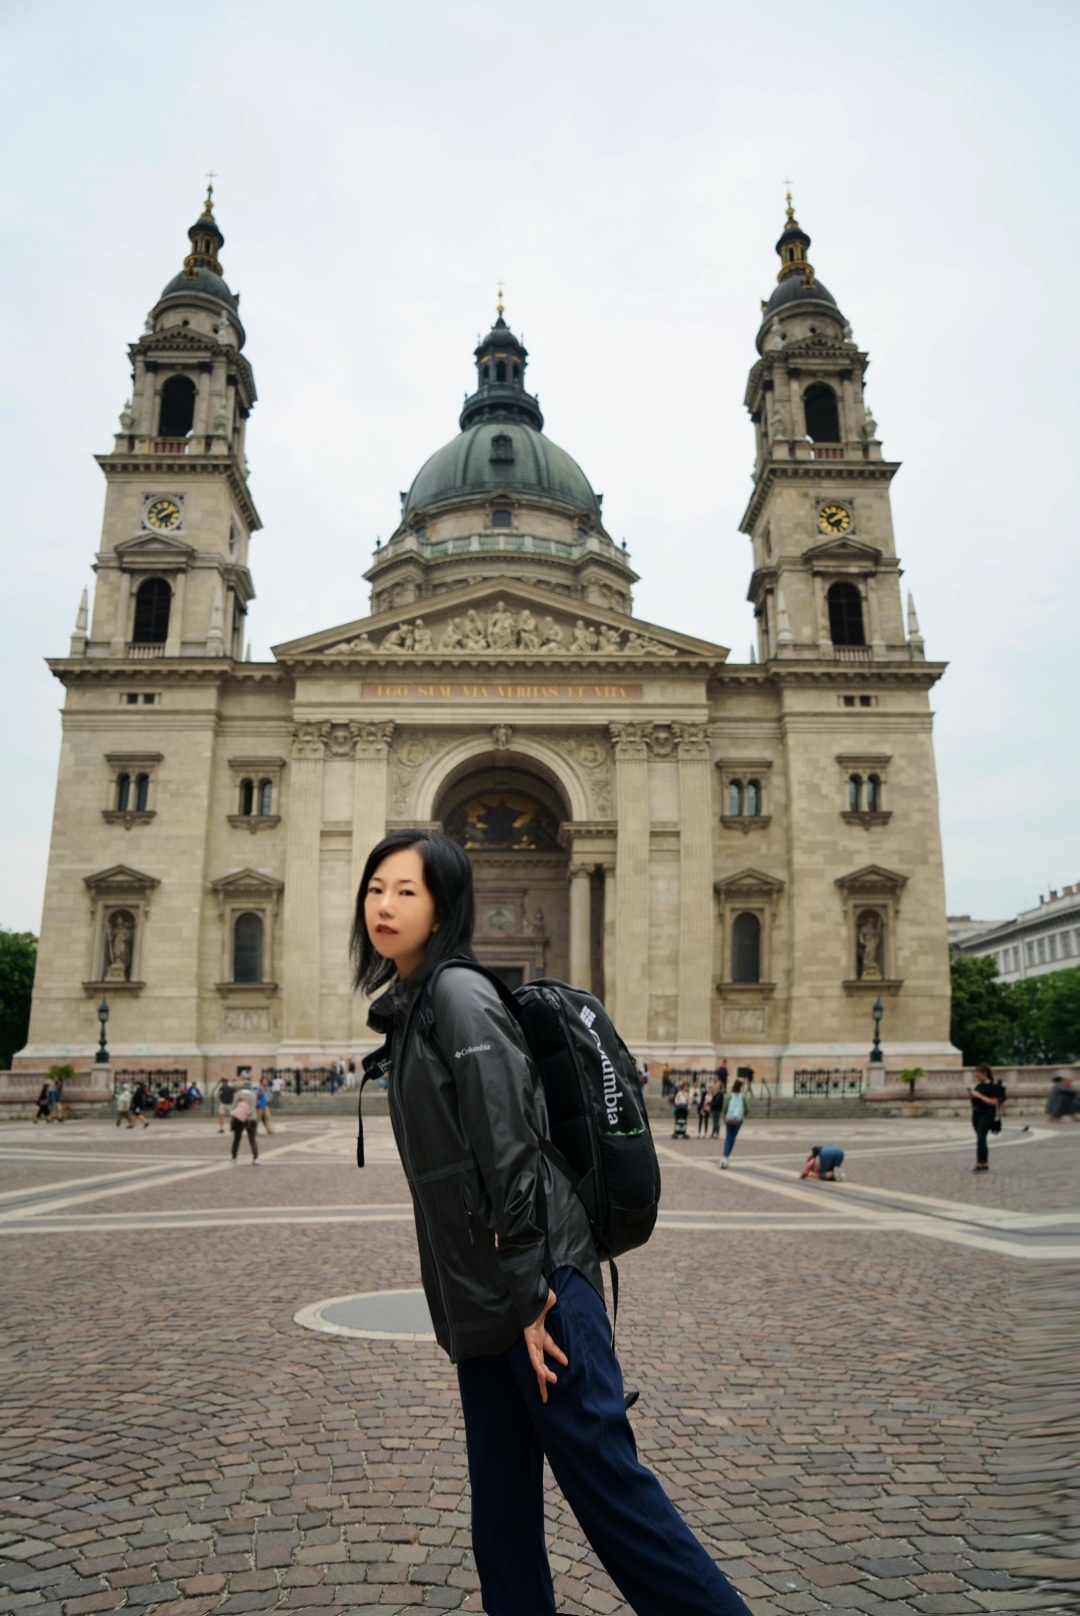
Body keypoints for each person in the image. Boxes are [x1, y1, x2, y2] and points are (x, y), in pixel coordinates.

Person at [351, 829, 753, 1616]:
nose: (384, 906)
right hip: (487, 1297)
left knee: (614, 1498)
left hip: (536, 1289)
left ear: (444, 908)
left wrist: (533, 1294)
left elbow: (510, 1149)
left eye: (406, 891)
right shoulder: (413, 1007)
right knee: (501, 1518)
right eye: (374, 889)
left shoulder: (458, 997)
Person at [968, 1063, 1002, 1172]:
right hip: (977, 1114)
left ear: (984, 1074)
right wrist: (971, 1096)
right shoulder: (979, 1086)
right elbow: (974, 1102)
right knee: (980, 1139)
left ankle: (981, 1163)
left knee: (981, 1138)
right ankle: (984, 1162)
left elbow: (994, 1102)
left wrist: (979, 1096)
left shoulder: (992, 1087)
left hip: (987, 1114)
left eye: (978, 1076)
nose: (977, 1078)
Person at [720, 1079, 747, 1168]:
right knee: (732, 1138)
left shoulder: (730, 1096)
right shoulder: (743, 1097)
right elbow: (747, 1108)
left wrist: (724, 1116)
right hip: (738, 1119)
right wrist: (743, 1115)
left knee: (728, 1137)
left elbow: (725, 1107)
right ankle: (726, 1157)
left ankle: (724, 1156)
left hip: (729, 1118)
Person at [229, 1087, 259, 1164]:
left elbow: (233, 1106)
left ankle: (234, 1157)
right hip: (252, 1118)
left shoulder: (238, 1094)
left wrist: (232, 1118)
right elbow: (254, 1106)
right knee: (252, 1139)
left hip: (239, 1118)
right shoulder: (253, 1095)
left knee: (237, 1138)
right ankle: (256, 1157)